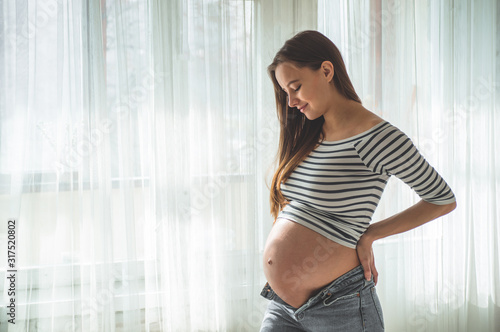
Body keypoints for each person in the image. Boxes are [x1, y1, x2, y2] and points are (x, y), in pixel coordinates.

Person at [259, 30, 457, 332]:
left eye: (295, 87)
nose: (291, 101)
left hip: (339, 305)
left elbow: (441, 199)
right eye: (286, 92)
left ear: (326, 71)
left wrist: (369, 234)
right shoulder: (311, 135)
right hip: (283, 307)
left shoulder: (379, 138)